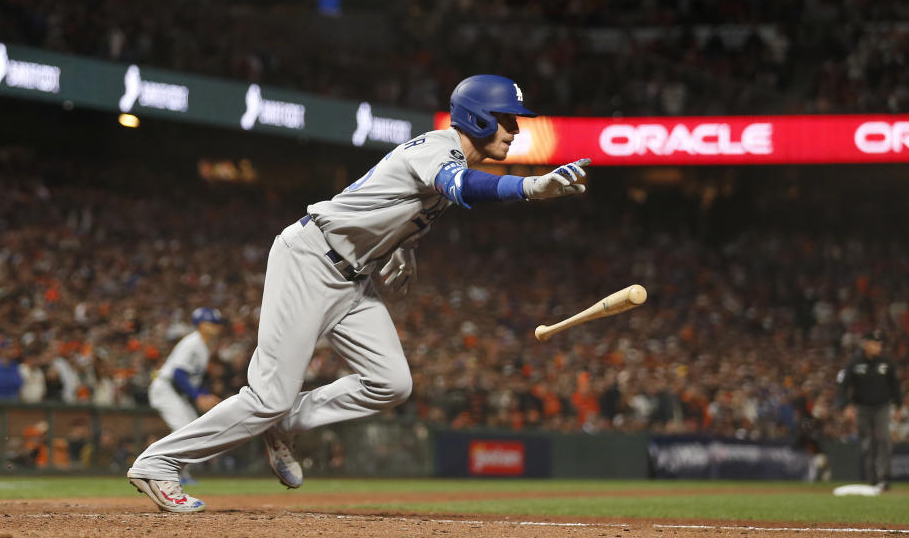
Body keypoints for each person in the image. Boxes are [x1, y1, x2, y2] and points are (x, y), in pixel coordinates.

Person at [126, 75, 591, 512]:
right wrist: (529, 187)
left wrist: (403, 249)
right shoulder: (439, 148)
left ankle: (286, 423)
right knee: (269, 394)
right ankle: (160, 462)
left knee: (391, 383)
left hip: (353, 277)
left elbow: (387, 203)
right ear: (479, 119)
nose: (514, 130)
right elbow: (463, 186)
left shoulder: (449, 159)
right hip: (310, 260)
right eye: (507, 120)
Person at [147, 307, 224, 485]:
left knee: (193, 432)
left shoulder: (203, 347)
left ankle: (178, 473)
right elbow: (179, 374)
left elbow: (191, 379)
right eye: (211, 323)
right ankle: (162, 470)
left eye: (217, 323)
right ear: (201, 325)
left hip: (175, 392)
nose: (216, 326)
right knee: (183, 429)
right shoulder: (193, 343)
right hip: (165, 388)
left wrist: (205, 395)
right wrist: (198, 397)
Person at [837, 330, 902, 490]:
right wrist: (846, 406)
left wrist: (898, 406)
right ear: (866, 344)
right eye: (874, 343)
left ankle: (884, 479)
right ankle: (872, 479)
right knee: (867, 443)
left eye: (879, 344)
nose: (878, 347)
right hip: (862, 407)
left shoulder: (886, 362)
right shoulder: (854, 362)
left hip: (882, 406)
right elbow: (843, 386)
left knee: (883, 439)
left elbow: (895, 386)